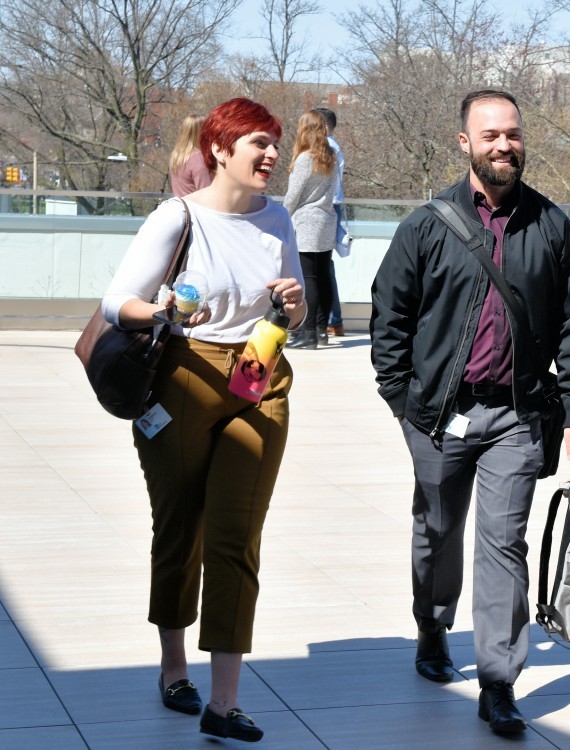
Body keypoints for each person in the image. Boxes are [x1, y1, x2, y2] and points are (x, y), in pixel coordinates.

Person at [370, 89, 570, 735]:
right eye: (490, 134)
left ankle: (498, 680)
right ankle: (432, 627)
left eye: (513, 134)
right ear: (465, 143)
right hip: (438, 417)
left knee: (504, 545)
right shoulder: (426, 225)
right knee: (437, 532)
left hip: (517, 420)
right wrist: (400, 400)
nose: (505, 144)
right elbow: (390, 315)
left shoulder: (553, 228)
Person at [101, 97, 305, 744]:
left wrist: (294, 305)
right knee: (180, 526)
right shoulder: (177, 216)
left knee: (235, 536)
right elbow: (115, 303)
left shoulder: (279, 221)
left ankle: (224, 701)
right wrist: (159, 309)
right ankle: (172, 667)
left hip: (257, 368)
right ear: (220, 150)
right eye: (259, 144)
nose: (272, 155)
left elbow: (292, 315)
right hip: (185, 372)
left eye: (275, 144)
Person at [284, 110, 338, 350]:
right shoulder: (331, 156)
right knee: (323, 276)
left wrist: (281, 216)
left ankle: (308, 334)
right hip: (326, 219)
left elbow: (293, 195)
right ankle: (319, 328)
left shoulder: (306, 158)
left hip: (307, 222)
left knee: (309, 279)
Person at [313, 106, 348, 338]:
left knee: (321, 267)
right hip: (331, 206)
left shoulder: (328, 148)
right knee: (324, 267)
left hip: (326, 207)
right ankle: (332, 320)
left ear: (324, 127)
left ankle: (330, 320)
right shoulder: (333, 147)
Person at [169, 115, 211, 198]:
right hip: (196, 209)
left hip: (181, 207)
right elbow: (206, 193)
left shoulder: (176, 156)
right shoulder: (197, 159)